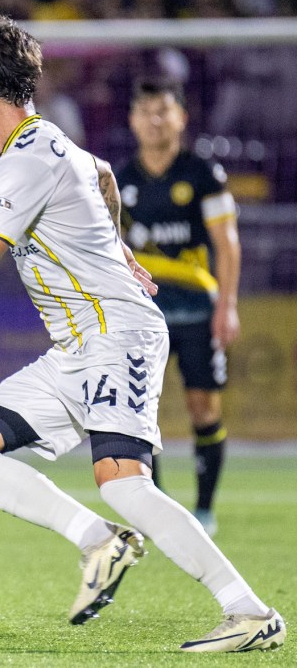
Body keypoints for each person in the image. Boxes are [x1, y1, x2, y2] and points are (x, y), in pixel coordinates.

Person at [0, 15, 284, 652]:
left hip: (119, 335)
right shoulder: (50, 141)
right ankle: (97, 540)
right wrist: (119, 247)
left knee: (125, 482)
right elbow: (104, 174)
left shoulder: (23, 160)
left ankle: (249, 611)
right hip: (78, 346)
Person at [117, 77, 240, 538]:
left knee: (202, 406)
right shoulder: (120, 181)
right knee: (140, 410)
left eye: (163, 111)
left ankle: (205, 510)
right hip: (144, 314)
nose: (154, 120)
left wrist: (227, 307)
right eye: (145, 111)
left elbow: (228, 246)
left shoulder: (203, 174)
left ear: (181, 118)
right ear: (132, 120)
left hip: (197, 310)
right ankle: (157, 508)